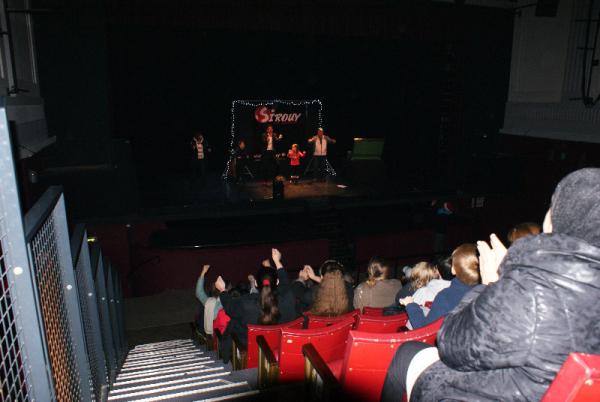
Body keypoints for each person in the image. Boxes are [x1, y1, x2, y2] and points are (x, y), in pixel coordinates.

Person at [382, 168, 600, 402]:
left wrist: (491, 286)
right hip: (532, 386)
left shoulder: (533, 287)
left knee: (406, 354)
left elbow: (452, 346)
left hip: (506, 392)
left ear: (564, 215)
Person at [217, 248, 299, 363]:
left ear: (255, 283)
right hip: (281, 351)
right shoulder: (288, 300)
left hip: (249, 353)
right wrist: (277, 262)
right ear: (277, 282)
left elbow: (229, 307)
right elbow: (286, 286)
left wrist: (222, 290)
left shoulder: (246, 304)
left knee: (233, 324)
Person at [399, 243, 479, 329]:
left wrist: (411, 305)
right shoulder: (486, 292)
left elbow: (424, 328)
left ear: (453, 269)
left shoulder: (446, 296)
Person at [194, 264, 223, 336]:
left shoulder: (209, 301)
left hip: (209, 334)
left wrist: (203, 273)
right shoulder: (224, 302)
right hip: (219, 337)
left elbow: (199, 292)